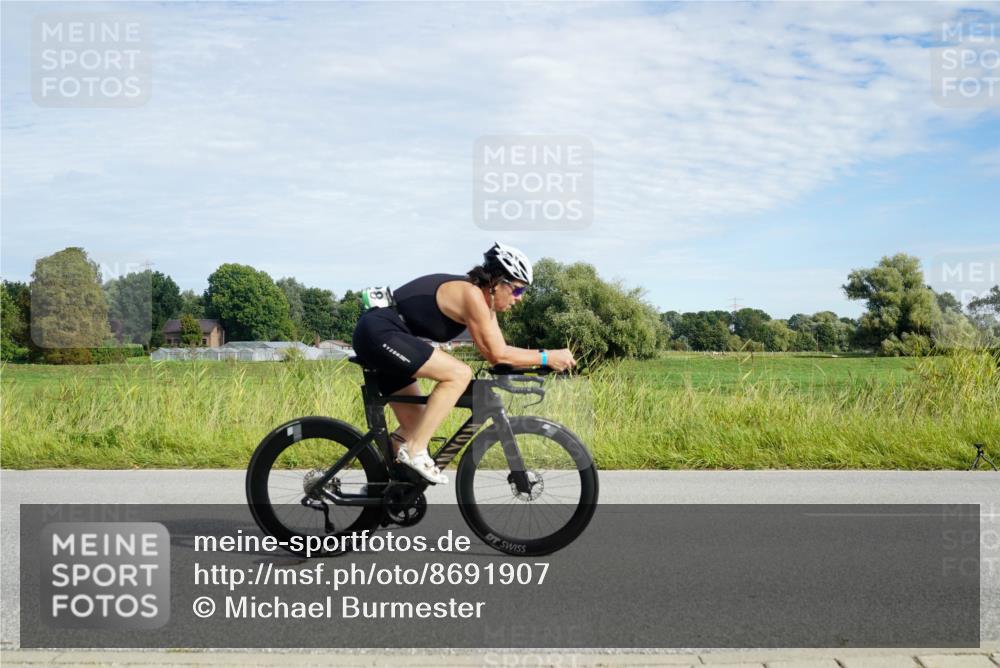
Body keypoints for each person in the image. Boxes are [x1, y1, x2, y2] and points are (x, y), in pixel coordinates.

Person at [351, 242, 576, 484]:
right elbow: (498, 355)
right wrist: (547, 356)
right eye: (518, 291)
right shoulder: (471, 295)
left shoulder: (483, 303)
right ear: (498, 282)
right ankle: (416, 450)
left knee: (416, 424)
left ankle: (384, 486)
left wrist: (540, 363)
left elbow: (501, 352)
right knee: (459, 374)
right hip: (380, 332)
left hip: (391, 336)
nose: (519, 299)